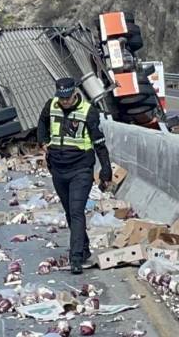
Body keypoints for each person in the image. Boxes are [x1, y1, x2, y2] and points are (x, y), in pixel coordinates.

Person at [37, 77, 113, 274]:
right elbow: (42, 123)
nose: (64, 102)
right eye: (61, 98)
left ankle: (76, 257)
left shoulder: (89, 112)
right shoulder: (51, 105)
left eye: (68, 98)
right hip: (58, 168)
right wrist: (43, 141)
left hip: (81, 169)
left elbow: (100, 144)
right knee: (70, 212)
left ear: (75, 94)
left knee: (77, 211)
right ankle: (84, 248)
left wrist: (106, 171)